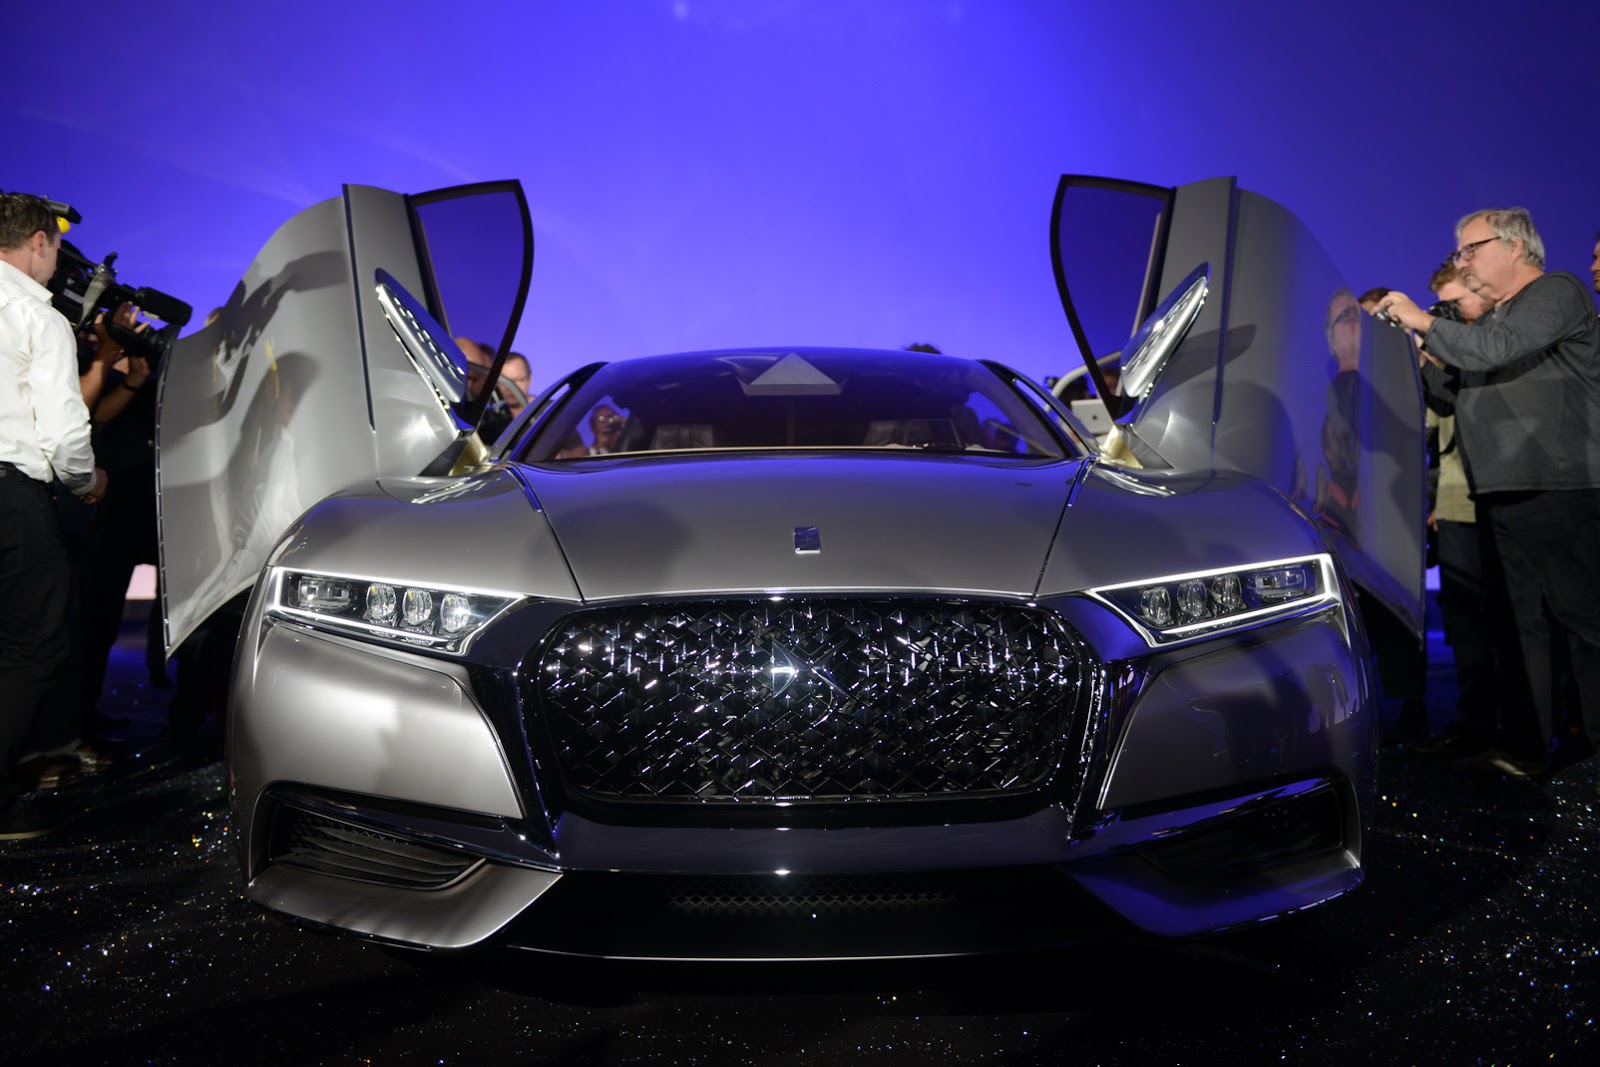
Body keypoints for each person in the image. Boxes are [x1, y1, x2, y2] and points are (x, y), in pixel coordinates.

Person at [1375, 208, 1600, 777]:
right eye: (1459, 253)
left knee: (1584, 625)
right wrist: (1420, 346)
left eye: (1470, 249)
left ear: (1516, 245)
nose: (1463, 262)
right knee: (1515, 629)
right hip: (1499, 491)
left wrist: (1423, 318)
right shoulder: (1492, 322)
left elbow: (1496, 350)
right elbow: (1449, 395)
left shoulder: (1557, 292)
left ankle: (1593, 752)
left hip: (1561, 485)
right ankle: (1525, 747)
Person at [0, 193, 107, 838]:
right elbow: (64, 434)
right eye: (58, 248)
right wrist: (86, 480)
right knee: (36, 643)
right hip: (10, 497)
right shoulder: (36, 316)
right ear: (39, 241)